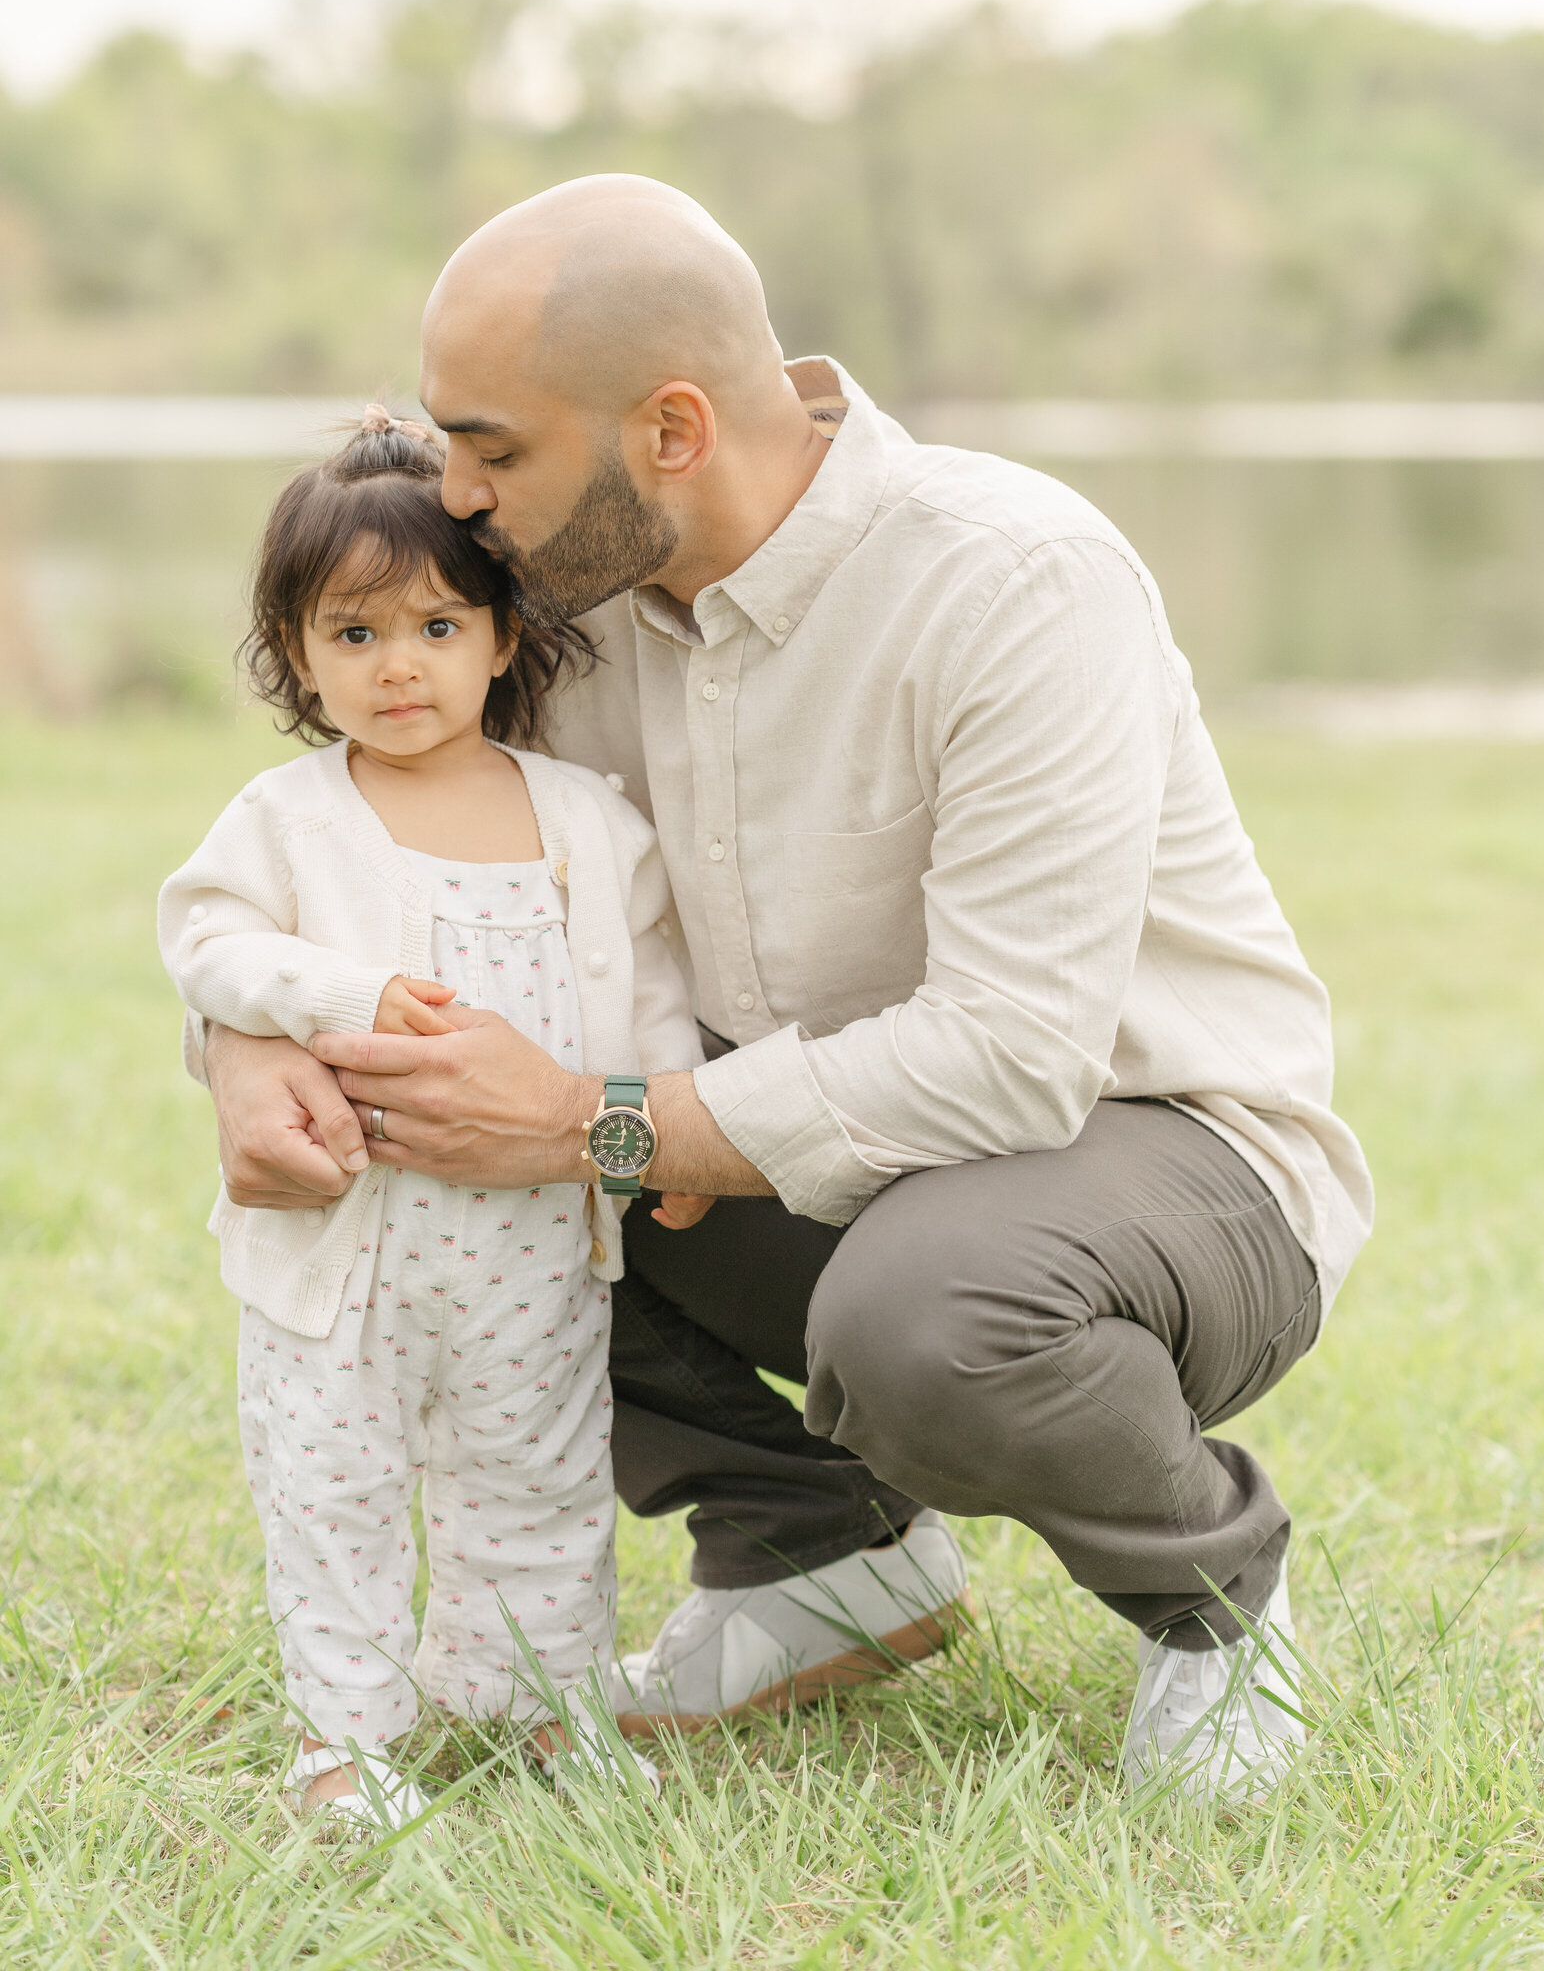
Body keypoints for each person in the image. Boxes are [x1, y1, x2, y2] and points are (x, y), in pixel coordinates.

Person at [200, 176, 1374, 1796]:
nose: (456, 499)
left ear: (669, 429)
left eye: (494, 447)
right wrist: (244, 1050)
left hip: (1160, 1157)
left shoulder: (1014, 579)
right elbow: (364, 856)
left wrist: (600, 1127)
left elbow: (1012, 1061)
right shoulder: (567, 603)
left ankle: (1214, 1605)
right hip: (794, 1146)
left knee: (922, 1317)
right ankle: (818, 1556)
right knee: (461, 1170)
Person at [159, 409, 699, 1827]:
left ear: (504, 640)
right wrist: (337, 995)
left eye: (436, 626)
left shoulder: (586, 819)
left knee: (542, 1486)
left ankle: (532, 1702)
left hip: (532, 1250)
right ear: (295, 653)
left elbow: (646, 1004)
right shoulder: (288, 822)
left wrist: (658, 1157)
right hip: (349, 1259)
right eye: (352, 635)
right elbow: (205, 941)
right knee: (332, 1497)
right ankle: (342, 1744)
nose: (397, 665)